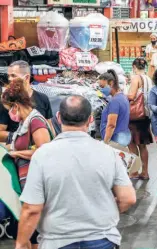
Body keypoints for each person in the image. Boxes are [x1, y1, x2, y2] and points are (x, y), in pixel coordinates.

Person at [15, 95, 136, 249]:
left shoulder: (43, 155)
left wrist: (21, 243)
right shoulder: (108, 153)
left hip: (57, 241)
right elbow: (128, 198)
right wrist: (104, 213)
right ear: (90, 119)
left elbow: (32, 209)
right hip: (101, 240)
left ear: (58, 117)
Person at [3, 78, 52, 249]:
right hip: (27, 184)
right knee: (30, 236)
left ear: (15, 105)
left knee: (35, 235)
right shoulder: (25, 123)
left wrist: (16, 153)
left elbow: (45, 151)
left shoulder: (36, 121)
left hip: (37, 184)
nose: (10, 113)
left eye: (9, 109)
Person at [3, 61, 55, 141]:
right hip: (16, 150)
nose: (9, 79)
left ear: (26, 77)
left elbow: (49, 126)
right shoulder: (7, 99)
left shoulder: (43, 98)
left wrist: (52, 142)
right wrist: (19, 138)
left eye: (13, 75)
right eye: (8, 76)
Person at [127, 58, 153, 180]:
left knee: (132, 143)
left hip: (135, 115)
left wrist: (121, 95)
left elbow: (131, 96)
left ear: (134, 67)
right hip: (145, 114)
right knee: (142, 145)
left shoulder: (136, 78)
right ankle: (145, 171)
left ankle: (134, 171)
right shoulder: (148, 78)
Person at [98, 70, 131, 147]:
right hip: (123, 136)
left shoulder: (115, 101)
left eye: (102, 86)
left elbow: (111, 125)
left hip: (116, 139)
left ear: (111, 83)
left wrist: (105, 143)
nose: (101, 89)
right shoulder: (122, 97)